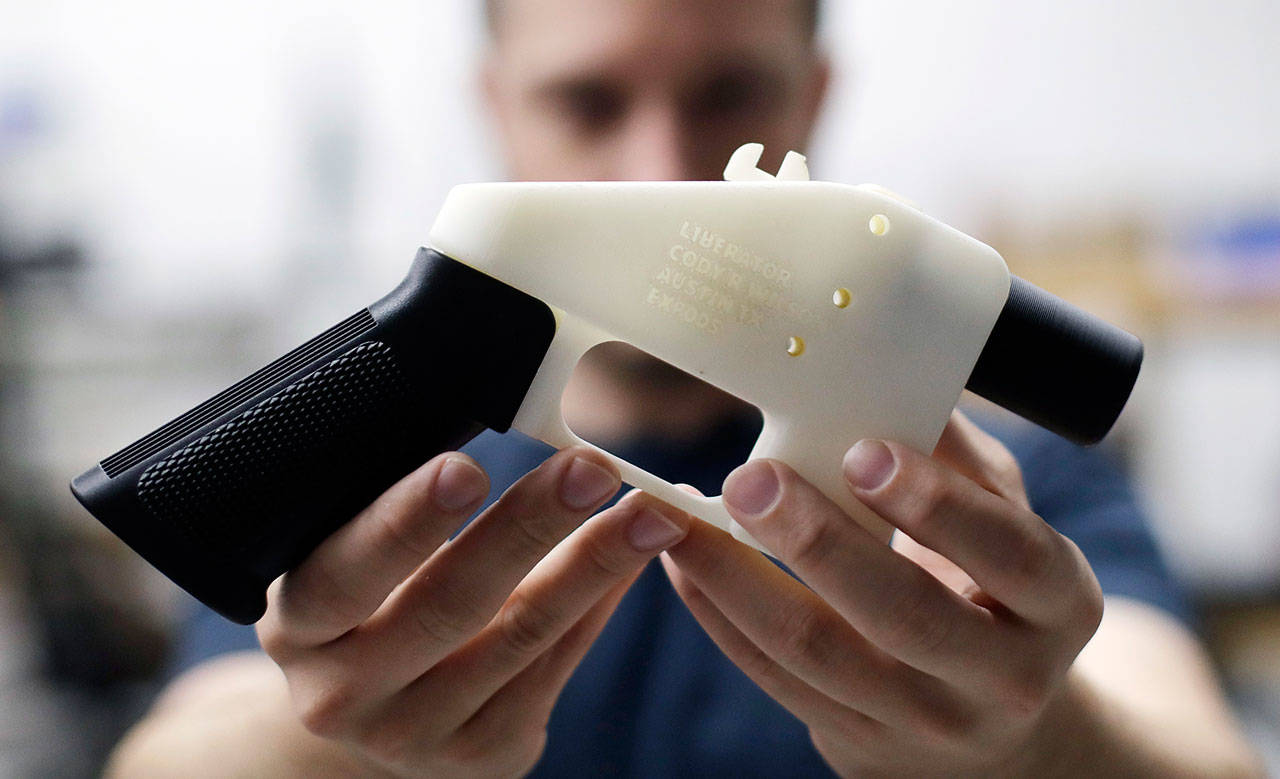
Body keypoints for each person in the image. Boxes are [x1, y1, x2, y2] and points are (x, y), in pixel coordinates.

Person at [108, 1, 1262, 775]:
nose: (661, 167)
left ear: (810, 101)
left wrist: (1034, 742)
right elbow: (174, 750)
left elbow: (1201, 754)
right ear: (495, 105)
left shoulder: (1008, 492)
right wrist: (330, 742)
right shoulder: (384, 472)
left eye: (726, 95)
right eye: (589, 101)